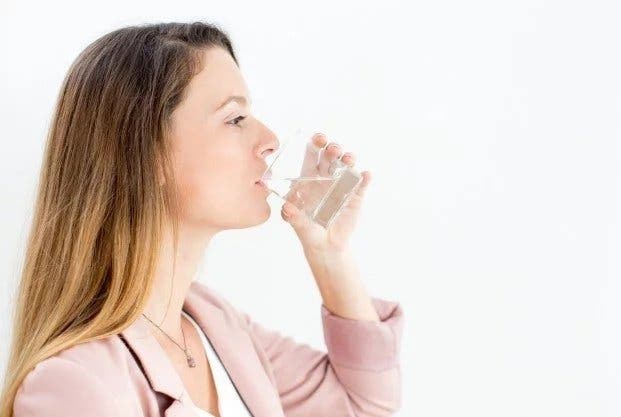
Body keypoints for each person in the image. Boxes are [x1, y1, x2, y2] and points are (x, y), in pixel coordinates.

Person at [0, 21, 404, 417]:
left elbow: (360, 406)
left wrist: (328, 252)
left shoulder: (214, 323)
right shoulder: (76, 386)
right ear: (148, 153)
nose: (269, 141)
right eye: (234, 119)